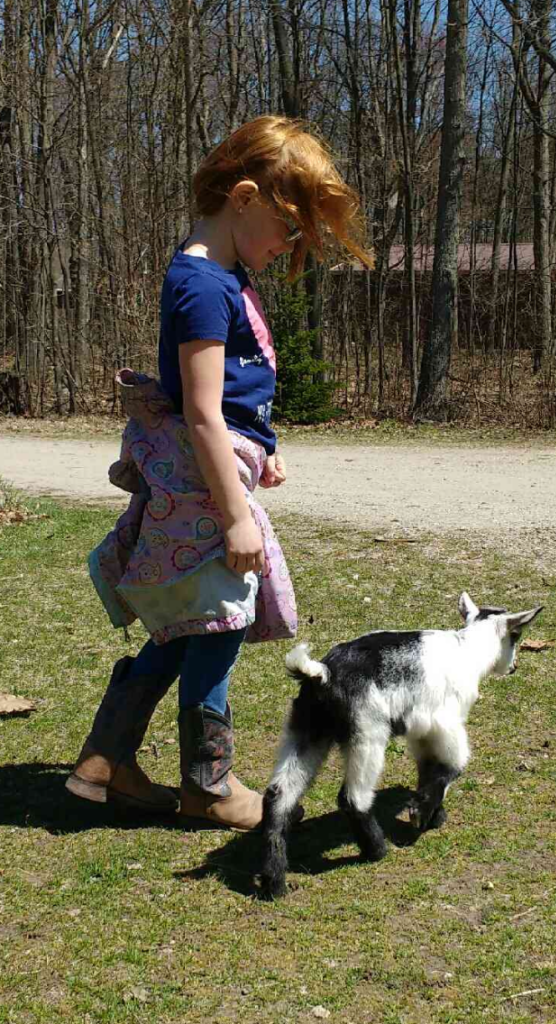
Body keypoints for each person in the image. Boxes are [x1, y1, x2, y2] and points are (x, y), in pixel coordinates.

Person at [66, 115, 373, 831]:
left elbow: (229, 394)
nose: (288, 247)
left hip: (217, 473)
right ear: (243, 197)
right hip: (206, 490)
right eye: (285, 228)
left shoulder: (219, 274)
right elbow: (203, 414)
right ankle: (207, 784)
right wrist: (236, 512)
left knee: (189, 621)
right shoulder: (202, 284)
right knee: (218, 619)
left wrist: (262, 444)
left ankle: (104, 761)